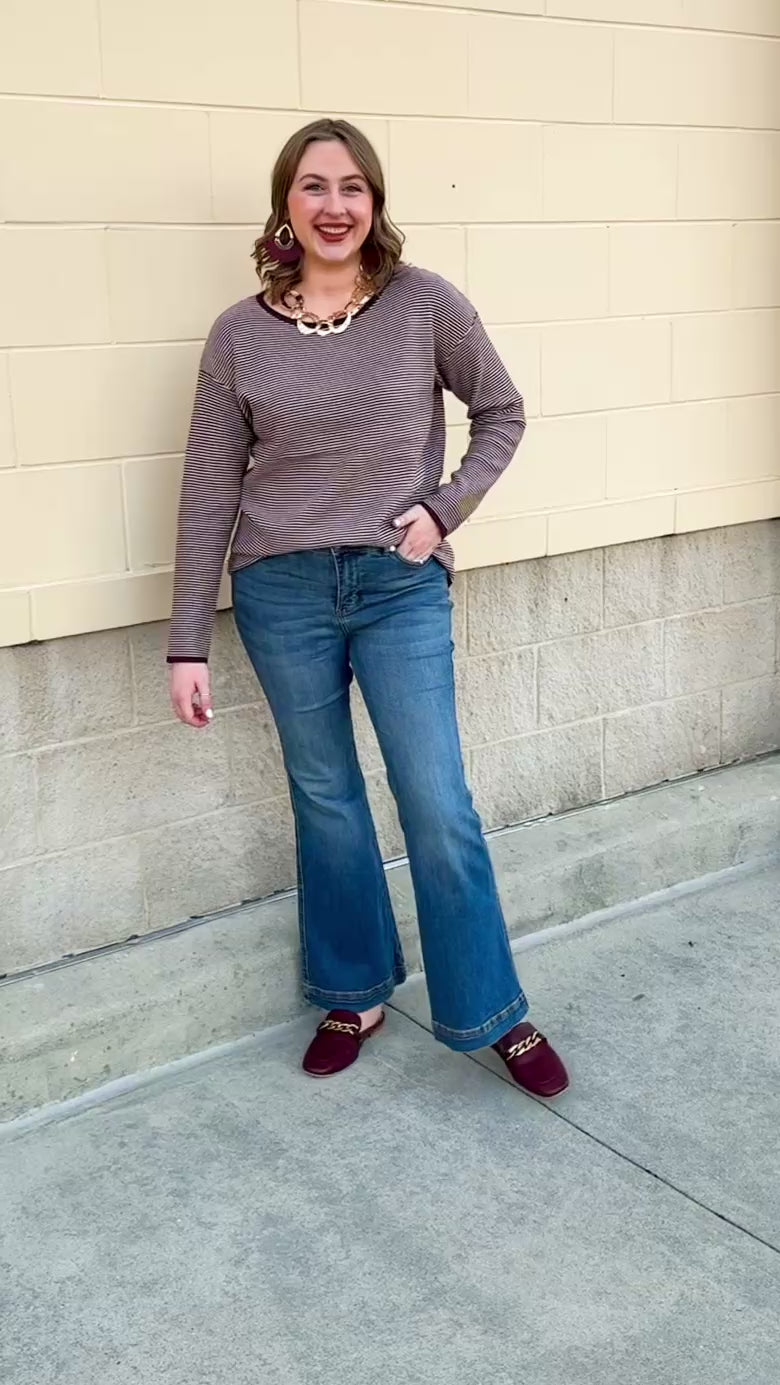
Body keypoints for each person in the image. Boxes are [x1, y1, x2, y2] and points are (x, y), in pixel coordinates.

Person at [167, 118, 568, 1098]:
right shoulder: (238, 335)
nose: (334, 205)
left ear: (375, 202)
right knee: (327, 798)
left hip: (397, 586)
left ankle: (493, 1009)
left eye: (352, 186)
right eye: (313, 186)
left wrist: (444, 508)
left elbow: (503, 412)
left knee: (436, 797)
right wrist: (187, 641)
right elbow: (209, 487)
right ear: (286, 205)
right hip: (281, 593)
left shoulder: (425, 304)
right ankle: (355, 992)